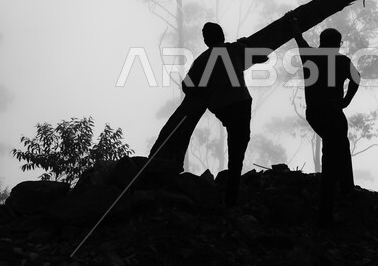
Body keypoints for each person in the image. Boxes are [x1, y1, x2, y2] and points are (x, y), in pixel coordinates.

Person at [150, 22, 268, 206]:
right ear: (222, 35)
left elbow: (186, 86)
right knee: (238, 150)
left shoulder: (202, 60)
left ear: (206, 40)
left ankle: (229, 199)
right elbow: (263, 57)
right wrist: (244, 44)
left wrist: (206, 88)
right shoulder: (235, 49)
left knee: (234, 142)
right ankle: (231, 199)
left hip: (222, 106)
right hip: (241, 102)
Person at [288, 15, 361, 226]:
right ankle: (328, 210)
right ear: (337, 45)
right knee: (334, 152)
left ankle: (345, 189)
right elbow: (357, 79)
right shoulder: (342, 61)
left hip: (315, 113)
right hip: (334, 113)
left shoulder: (310, 56)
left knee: (336, 147)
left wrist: (293, 23)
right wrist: (346, 100)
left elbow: (298, 39)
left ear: (321, 42)